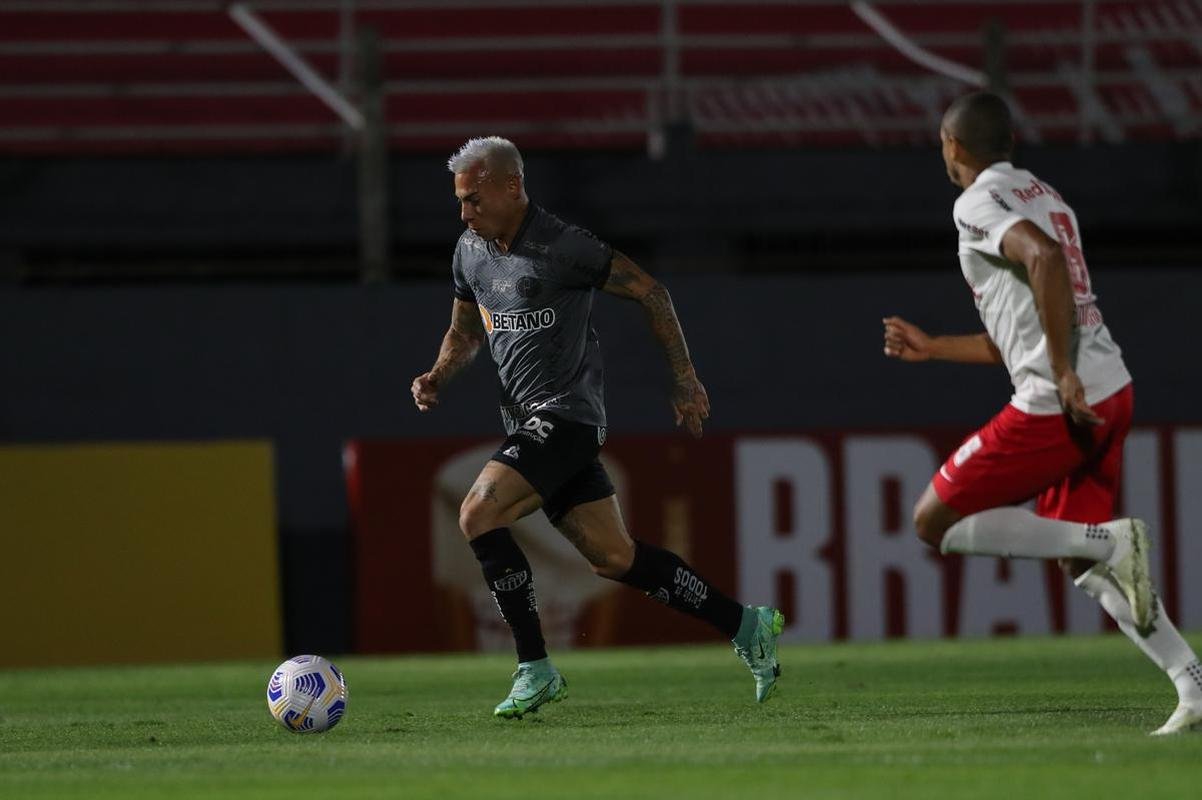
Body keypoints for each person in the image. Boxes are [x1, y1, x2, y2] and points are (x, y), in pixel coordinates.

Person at [412, 136, 785, 719]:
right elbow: (464, 333)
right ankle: (745, 624)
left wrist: (685, 379)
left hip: (567, 416)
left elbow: (651, 292)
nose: (464, 213)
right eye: (460, 200)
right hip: (528, 423)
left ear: (512, 186)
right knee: (614, 558)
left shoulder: (564, 245)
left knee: (478, 513)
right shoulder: (470, 251)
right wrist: (437, 374)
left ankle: (535, 667)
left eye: (474, 199)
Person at [883, 91, 1200, 735]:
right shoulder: (1044, 195)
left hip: (1060, 402)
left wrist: (1060, 373)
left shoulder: (975, 203)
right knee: (1082, 562)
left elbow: (1044, 259)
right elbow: (1028, 321)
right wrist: (935, 346)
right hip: (1110, 390)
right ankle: (1192, 685)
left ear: (953, 146)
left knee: (933, 519)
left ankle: (1113, 540)